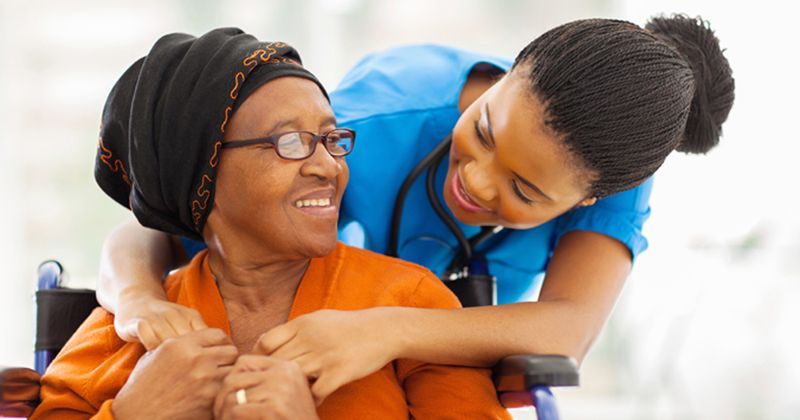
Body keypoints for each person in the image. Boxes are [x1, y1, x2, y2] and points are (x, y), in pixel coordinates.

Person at [96, 15, 735, 402]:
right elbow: (146, 226)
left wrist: (384, 328)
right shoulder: (373, 122)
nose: (479, 185)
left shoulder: (611, 172)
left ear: (589, 199)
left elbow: (568, 330)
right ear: (507, 75)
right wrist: (137, 301)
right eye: (483, 131)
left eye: (525, 191)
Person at [31, 28, 510, 419]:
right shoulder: (130, 326)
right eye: (290, 142)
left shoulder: (410, 304)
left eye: (330, 137)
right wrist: (134, 413)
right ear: (202, 171)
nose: (329, 165)